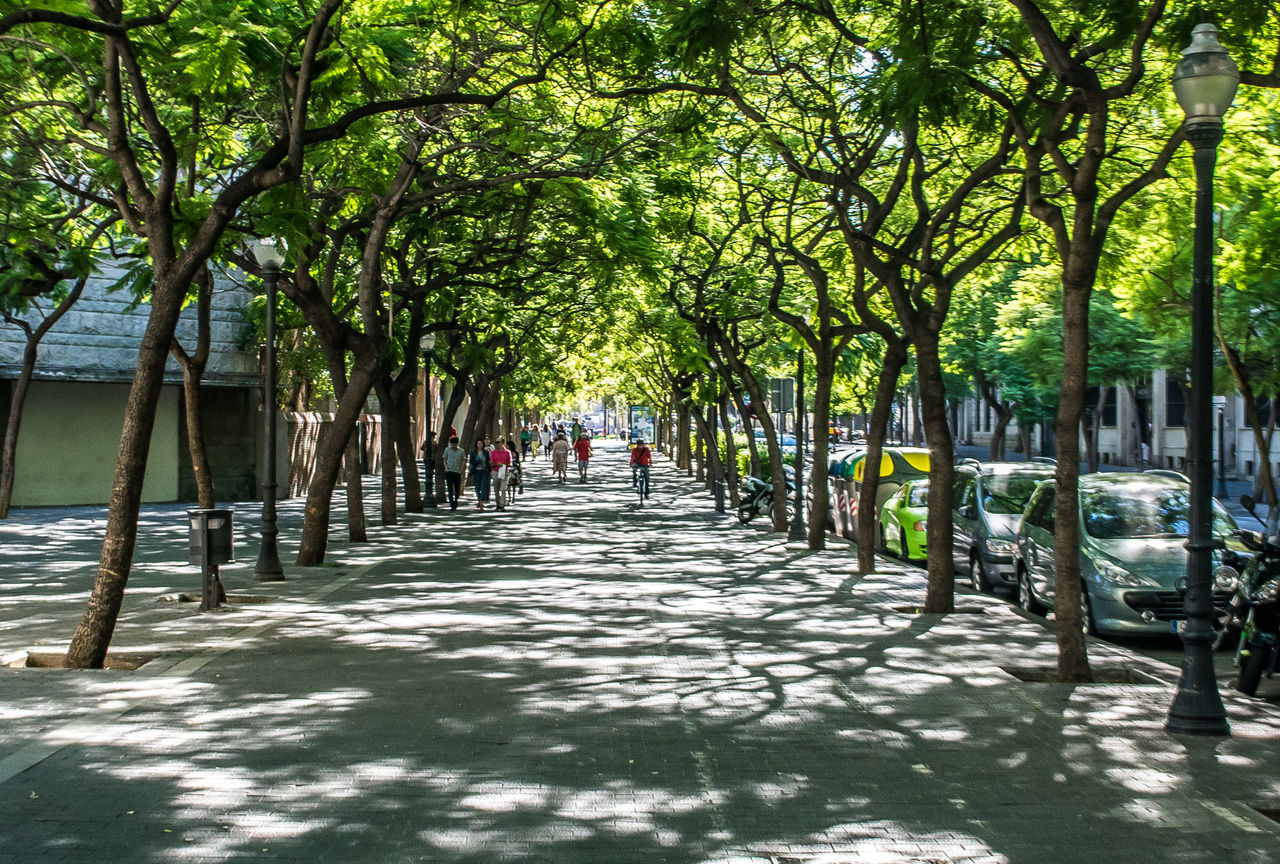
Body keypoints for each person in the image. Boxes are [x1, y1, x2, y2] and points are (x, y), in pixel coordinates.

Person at [441, 435, 465, 510]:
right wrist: (446, 468)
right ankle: (452, 503)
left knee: (457, 489)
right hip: (449, 471)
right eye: (452, 444)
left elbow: (463, 460)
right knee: (450, 488)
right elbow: (444, 458)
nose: (454, 445)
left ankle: (456, 500)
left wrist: (461, 469)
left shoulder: (461, 451)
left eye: (455, 444)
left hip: (457, 472)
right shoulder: (447, 450)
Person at [490, 437, 513, 511]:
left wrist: (505, 465)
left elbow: (510, 462)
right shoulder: (493, 452)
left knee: (503, 488)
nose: (496, 444)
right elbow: (491, 463)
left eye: (498, 442)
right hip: (496, 471)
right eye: (495, 442)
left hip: (504, 471)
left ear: (502, 443)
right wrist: (496, 464)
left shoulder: (507, 452)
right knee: (496, 489)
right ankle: (498, 504)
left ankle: (502, 504)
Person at [469, 439, 491, 510]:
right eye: (478, 443)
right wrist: (478, 461)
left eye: (481, 443)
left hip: (484, 471)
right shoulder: (473, 453)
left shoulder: (486, 452)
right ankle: (479, 499)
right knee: (477, 487)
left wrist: (488, 467)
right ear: (476, 444)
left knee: (483, 487)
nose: (479, 445)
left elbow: (488, 461)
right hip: (476, 472)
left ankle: (481, 503)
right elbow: (471, 462)